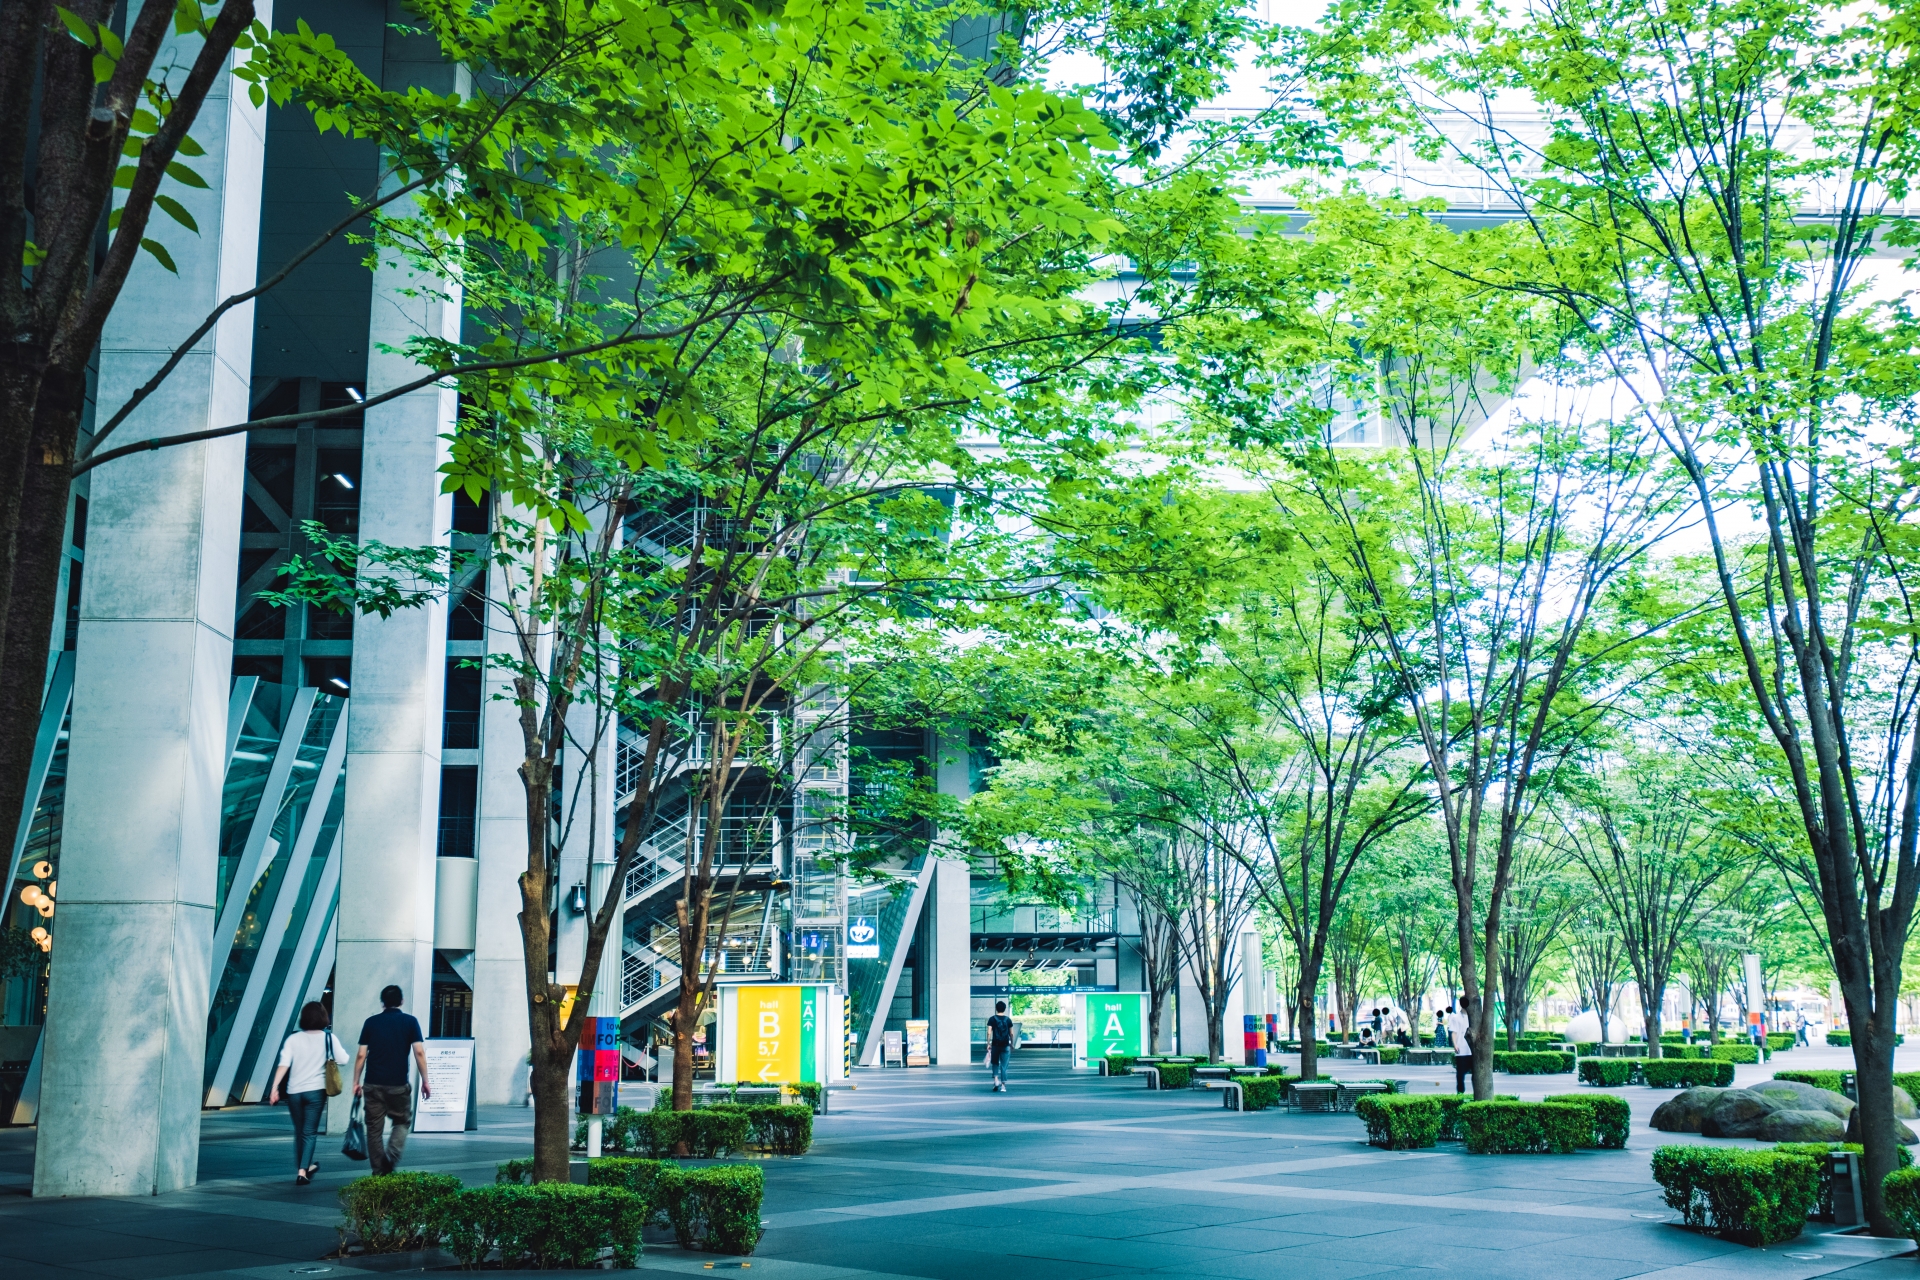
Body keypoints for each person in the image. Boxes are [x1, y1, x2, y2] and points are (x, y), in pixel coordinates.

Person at [267, 1000, 352, 1186]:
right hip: (315, 1091)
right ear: (323, 1017)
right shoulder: (328, 1038)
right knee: (310, 1132)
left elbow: (284, 1064)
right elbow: (344, 1059)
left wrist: (274, 1088)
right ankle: (302, 1171)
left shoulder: (293, 1039)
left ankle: (304, 1167)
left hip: (294, 1092)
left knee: (300, 1132)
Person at [353, 984, 430, 1175]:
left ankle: (379, 1171)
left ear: (382, 1003)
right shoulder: (410, 1022)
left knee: (373, 1129)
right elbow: (419, 1051)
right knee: (402, 1121)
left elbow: (361, 1055)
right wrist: (426, 1081)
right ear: (401, 1001)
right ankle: (391, 1157)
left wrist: (356, 1081)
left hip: (372, 1083)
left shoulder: (371, 1022)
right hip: (398, 1085)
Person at [985, 1000, 1015, 1092]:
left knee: (995, 1063)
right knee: (1004, 1065)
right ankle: (1003, 1086)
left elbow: (989, 1032)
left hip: (995, 1045)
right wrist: (1012, 1043)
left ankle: (996, 1080)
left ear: (996, 1009)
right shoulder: (1008, 1020)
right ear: (1005, 1009)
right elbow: (1012, 1033)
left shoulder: (992, 1019)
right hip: (1005, 1045)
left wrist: (988, 1043)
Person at [1448, 1005, 1472, 1093]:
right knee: (1460, 1075)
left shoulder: (1473, 1017)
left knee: (1476, 1075)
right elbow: (1454, 1033)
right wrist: (1455, 1045)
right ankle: (1460, 1093)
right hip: (1461, 1050)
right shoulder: (1455, 1017)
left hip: (1473, 1051)